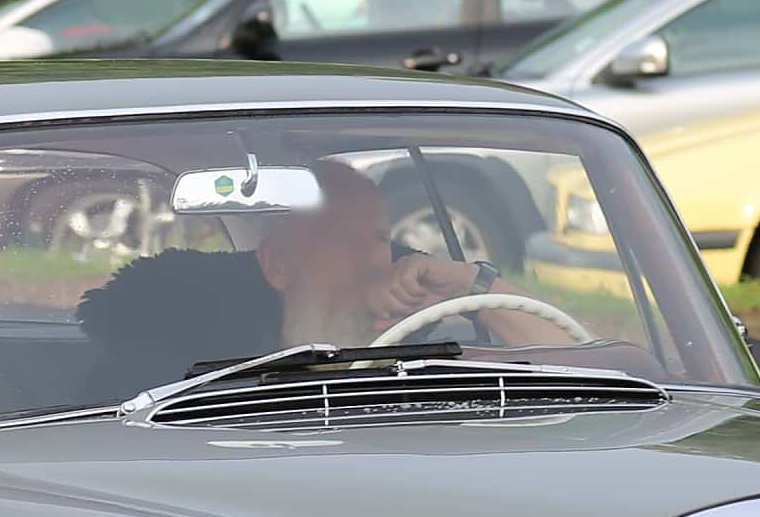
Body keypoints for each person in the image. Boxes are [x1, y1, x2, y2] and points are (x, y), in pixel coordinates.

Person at [77, 157, 575, 382]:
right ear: (277, 265)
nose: (371, 259)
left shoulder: (428, 362)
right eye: (343, 240)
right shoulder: (189, 386)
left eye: (380, 240)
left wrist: (467, 284)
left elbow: (590, 371)